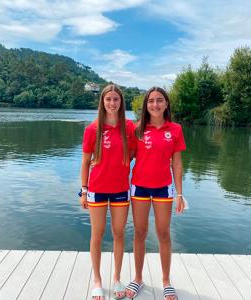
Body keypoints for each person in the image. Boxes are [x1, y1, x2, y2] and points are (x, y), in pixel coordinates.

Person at [125, 87, 186, 300]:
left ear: (166, 104)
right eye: (151, 101)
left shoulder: (176, 129)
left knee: (163, 233)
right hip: (139, 187)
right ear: (146, 105)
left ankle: (166, 281)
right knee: (140, 232)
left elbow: (177, 163)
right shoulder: (137, 129)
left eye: (159, 100)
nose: (155, 104)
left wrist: (179, 194)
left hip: (163, 188)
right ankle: (138, 278)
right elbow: (128, 155)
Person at [80, 84, 135, 300]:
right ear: (102, 102)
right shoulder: (92, 129)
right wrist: (83, 191)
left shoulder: (129, 128)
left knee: (119, 234)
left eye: (116, 99)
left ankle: (117, 278)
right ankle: (97, 281)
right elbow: (85, 163)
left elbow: (133, 153)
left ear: (121, 103)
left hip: (121, 189)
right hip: (97, 190)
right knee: (97, 234)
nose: (112, 103)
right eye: (108, 99)